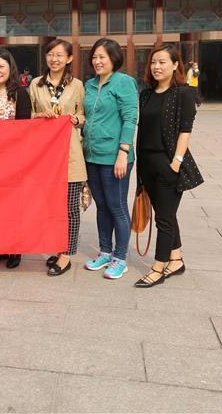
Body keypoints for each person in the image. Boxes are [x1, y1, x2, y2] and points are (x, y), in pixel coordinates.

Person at [134, 44, 204, 288]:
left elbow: (186, 130)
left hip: (168, 164)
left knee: (163, 218)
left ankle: (158, 267)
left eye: (163, 62)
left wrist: (176, 161)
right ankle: (176, 259)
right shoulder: (146, 94)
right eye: (154, 62)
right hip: (147, 164)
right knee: (167, 214)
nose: (157, 67)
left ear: (175, 65)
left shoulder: (184, 93)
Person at [81, 39, 138, 280]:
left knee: (117, 206)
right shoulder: (90, 84)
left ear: (114, 58)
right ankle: (105, 251)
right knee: (102, 206)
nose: (97, 61)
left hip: (115, 156)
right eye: (95, 57)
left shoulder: (124, 82)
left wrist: (123, 153)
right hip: (92, 156)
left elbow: (129, 117)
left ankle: (120, 258)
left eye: (102, 57)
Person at [29, 40, 86, 277]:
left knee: (71, 207)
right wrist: (38, 115)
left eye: (60, 55)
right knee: (49, 205)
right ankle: (55, 246)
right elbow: (28, 115)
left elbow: (83, 114)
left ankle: (66, 255)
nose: (54, 59)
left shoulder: (77, 85)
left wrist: (76, 119)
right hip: (44, 154)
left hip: (70, 151)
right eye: (51, 54)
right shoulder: (35, 84)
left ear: (69, 59)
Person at [0, 48, 32, 269]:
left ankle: (14, 250)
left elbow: (24, 129)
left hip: (12, 160)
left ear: (10, 68)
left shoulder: (20, 93)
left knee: (12, 207)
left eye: (1, 66)